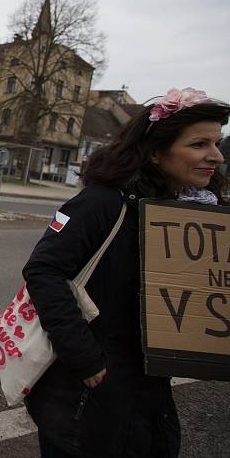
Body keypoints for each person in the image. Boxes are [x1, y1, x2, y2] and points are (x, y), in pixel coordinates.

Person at [22, 88, 228, 458]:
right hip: (89, 389)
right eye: (199, 144)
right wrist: (85, 357)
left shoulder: (202, 214)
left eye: (217, 143)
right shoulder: (102, 203)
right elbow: (43, 269)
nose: (215, 156)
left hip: (148, 391)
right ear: (154, 151)